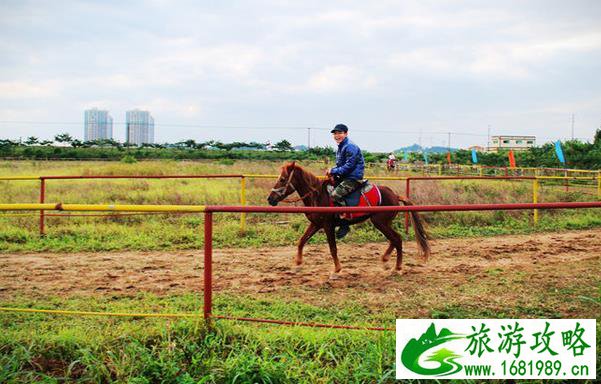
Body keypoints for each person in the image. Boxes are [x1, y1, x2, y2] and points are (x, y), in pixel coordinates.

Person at [326, 123, 365, 239]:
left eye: (340, 133)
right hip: (345, 176)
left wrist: (333, 171)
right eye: (335, 133)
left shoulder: (350, 146)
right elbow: (341, 165)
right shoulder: (341, 146)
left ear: (346, 133)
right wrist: (333, 171)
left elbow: (349, 165)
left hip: (353, 177)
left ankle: (345, 223)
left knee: (334, 195)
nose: (337, 135)